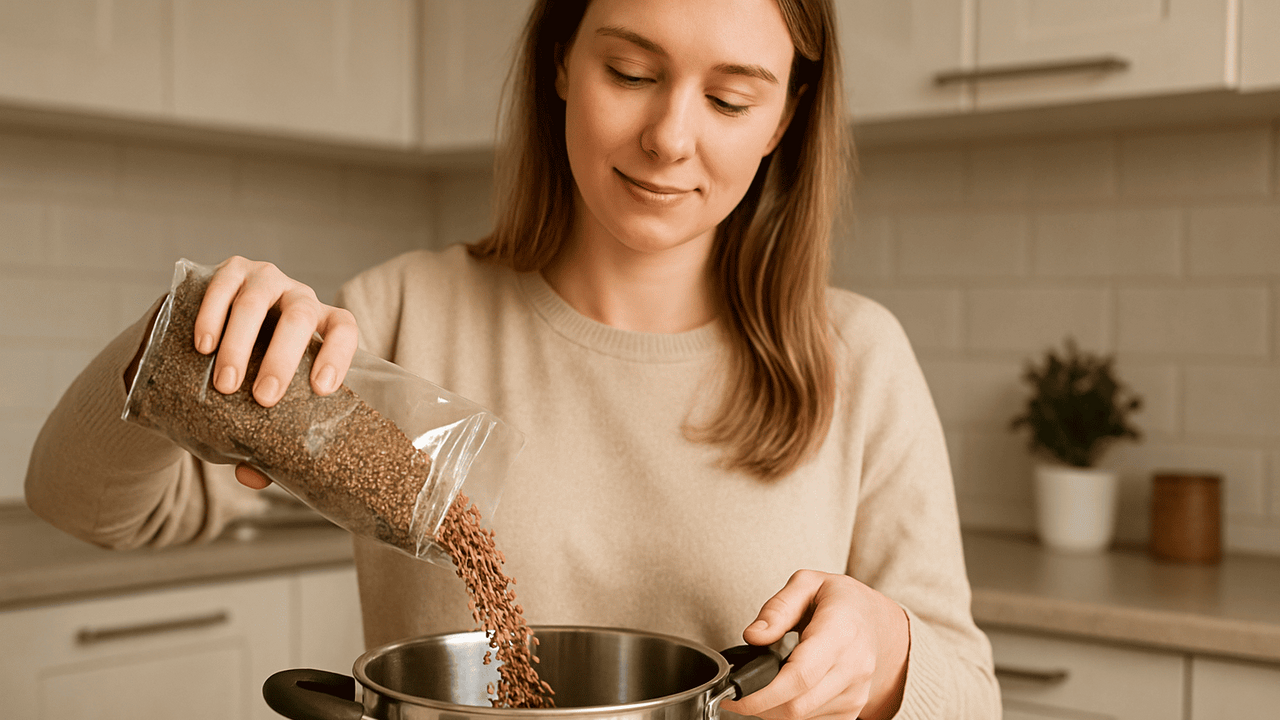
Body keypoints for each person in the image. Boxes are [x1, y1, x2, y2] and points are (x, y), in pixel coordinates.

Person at [26, 0, 1000, 717]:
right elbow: (89, 508)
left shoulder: (854, 356)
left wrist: (885, 657)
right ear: (561, 65)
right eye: (630, 72)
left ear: (783, 117)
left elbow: (967, 689)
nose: (669, 137)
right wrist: (179, 338)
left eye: (731, 97)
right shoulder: (402, 314)